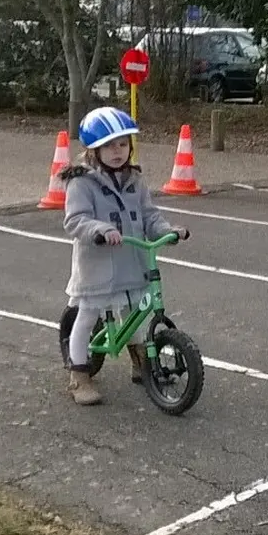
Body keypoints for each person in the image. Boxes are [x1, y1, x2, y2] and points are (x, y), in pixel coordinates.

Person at [60, 107, 190, 407]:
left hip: (132, 263)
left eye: (122, 144)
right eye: (109, 146)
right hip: (98, 268)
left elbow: (149, 215)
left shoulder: (134, 180)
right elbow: (75, 220)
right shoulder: (81, 182)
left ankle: (140, 361)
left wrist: (167, 231)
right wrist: (100, 229)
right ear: (94, 149)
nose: (117, 152)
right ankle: (79, 375)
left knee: (133, 314)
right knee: (87, 316)